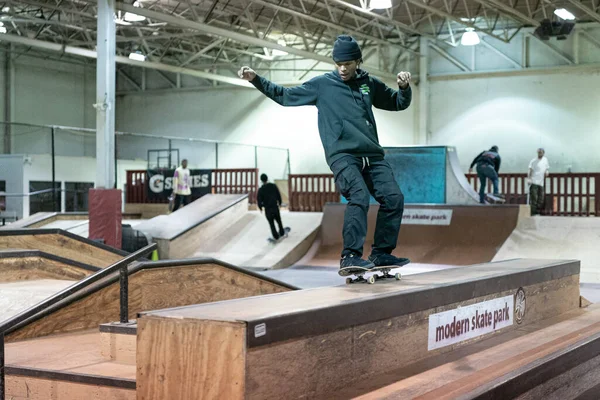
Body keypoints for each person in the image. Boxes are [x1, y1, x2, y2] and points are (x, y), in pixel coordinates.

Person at [239, 35, 412, 270]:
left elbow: (397, 102)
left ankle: (381, 253)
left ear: (358, 61)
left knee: (394, 198)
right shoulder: (322, 85)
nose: (342, 69)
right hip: (342, 155)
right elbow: (285, 96)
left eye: (348, 64)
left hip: (372, 155)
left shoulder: (368, 84)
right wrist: (256, 79)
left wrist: (403, 88)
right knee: (359, 196)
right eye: (338, 64)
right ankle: (350, 255)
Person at [257, 173, 287, 241]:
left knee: (271, 223)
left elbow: (259, 200)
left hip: (268, 209)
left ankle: (275, 236)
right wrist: (279, 203)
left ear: (261, 180)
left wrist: (261, 208)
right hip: (275, 207)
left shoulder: (261, 190)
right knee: (279, 221)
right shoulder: (273, 186)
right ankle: (282, 232)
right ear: (267, 179)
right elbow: (278, 195)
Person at [528, 148, 549, 216]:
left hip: (541, 182)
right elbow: (530, 170)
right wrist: (529, 179)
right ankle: (533, 213)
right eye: (539, 152)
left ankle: (538, 212)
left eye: (541, 152)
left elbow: (546, 167)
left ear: (543, 153)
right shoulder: (533, 161)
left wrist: (547, 171)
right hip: (534, 181)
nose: (540, 153)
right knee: (534, 198)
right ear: (537, 153)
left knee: (541, 198)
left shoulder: (545, 160)